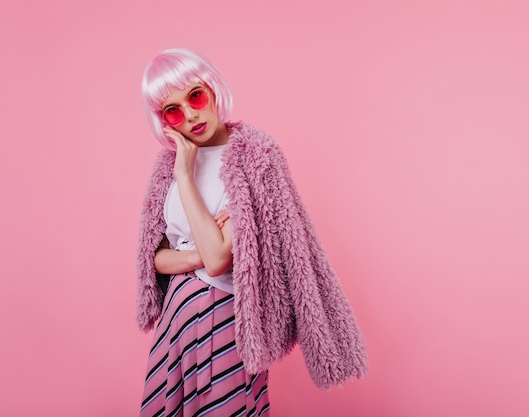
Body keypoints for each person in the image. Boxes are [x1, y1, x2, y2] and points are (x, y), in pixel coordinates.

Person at [136, 48, 367, 417]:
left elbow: (217, 262)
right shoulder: (170, 165)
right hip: (176, 326)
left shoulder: (254, 156)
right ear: (165, 122)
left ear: (211, 89)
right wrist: (195, 250)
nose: (191, 114)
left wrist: (187, 185)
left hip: (228, 321)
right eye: (174, 110)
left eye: (195, 95)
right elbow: (157, 258)